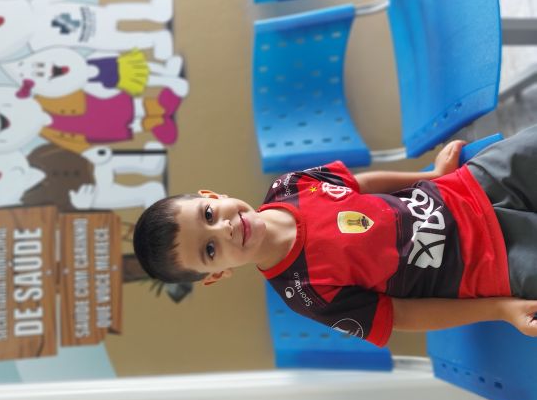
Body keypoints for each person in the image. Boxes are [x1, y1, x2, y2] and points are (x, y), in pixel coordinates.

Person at [133, 125, 537, 346]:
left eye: (208, 215)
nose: (224, 228)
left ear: (211, 196)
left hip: (470, 188)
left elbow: (360, 185)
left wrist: (430, 176)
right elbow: (401, 315)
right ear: (218, 274)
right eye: (209, 249)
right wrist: (500, 310)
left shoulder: (289, 185)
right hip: (492, 264)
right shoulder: (307, 294)